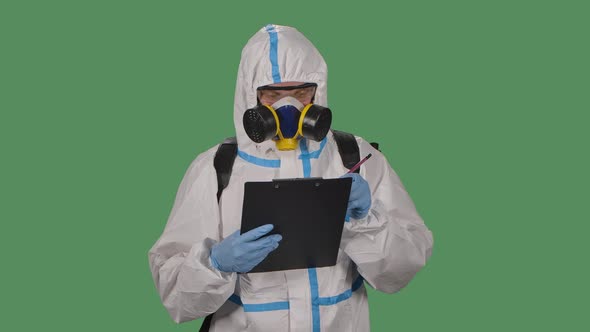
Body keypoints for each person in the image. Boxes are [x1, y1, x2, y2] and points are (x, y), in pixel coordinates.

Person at [148, 24, 434, 332]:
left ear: (318, 91)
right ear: (250, 95)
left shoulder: (355, 157)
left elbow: (401, 272)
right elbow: (175, 297)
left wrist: (368, 220)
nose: (290, 107)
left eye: (301, 92)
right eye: (273, 94)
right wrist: (214, 264)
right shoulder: (217, 168)